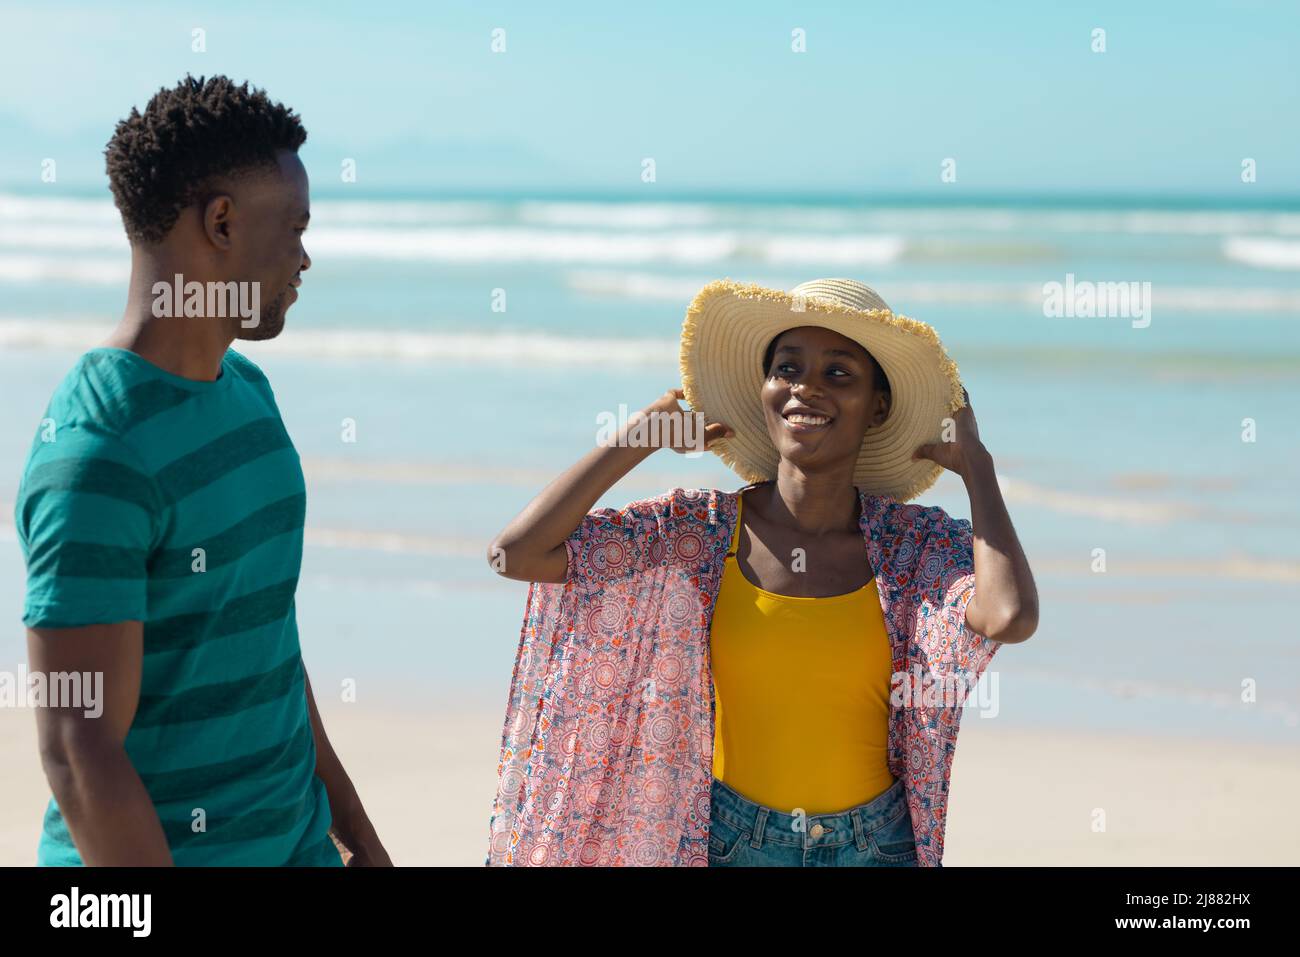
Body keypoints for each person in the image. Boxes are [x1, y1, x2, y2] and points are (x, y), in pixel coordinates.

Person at [486, 278, 1038, 866]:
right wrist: (641, 435)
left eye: (839, 373)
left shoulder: (913, 550)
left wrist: (978, 468)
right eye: (788, 368)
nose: (806, 388)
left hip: (876, 847)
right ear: (765, 390)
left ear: (878, 406)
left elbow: (1007, 616)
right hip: (728, 842)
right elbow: (517, 554)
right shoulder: (697, 534)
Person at [15, 75, 389, 866]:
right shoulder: (95, 450)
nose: (305, 257)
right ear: (221, 221)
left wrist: (354, 828)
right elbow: (78, 753)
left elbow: (266, 641)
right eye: (294, 228)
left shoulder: (250, 394)